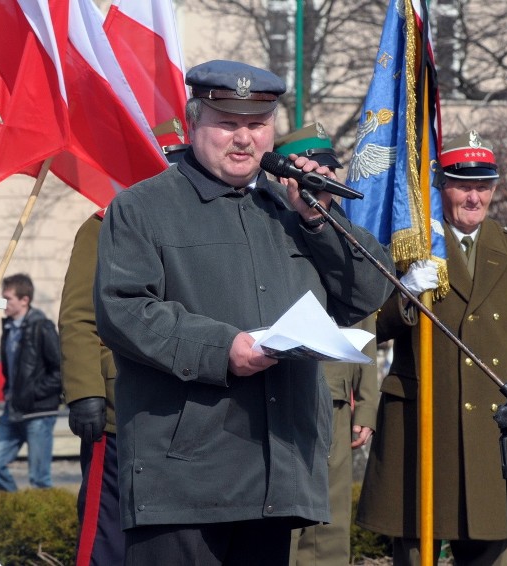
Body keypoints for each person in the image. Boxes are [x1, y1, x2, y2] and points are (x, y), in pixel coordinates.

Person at [94, 59, 394, 565]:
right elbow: (122, 309)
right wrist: (222, 349)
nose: (243, 139)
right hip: (185, 473)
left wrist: (321, 222)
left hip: (277, 466)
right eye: (227, 124)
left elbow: (368, 294)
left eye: (256, 125)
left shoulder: (291, 208)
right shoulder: (143, 208)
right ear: (193, 124)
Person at [356, 130, 507, 565]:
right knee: (414, 547)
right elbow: (371, 326)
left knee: (491, 548)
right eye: (464, 185)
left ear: (495, 189)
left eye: (484, 187)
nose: (474, 197)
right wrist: (403, 292)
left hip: (490, 425)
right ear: (441, 184)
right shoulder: (411, 243)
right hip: (423, 421)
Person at [60, 129, 189, 566]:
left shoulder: (196, 230)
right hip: (119, 413)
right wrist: (85, 393)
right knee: (107, 540)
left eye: (181, 158)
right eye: (165, 159)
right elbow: (79, 315)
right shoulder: (104, 225)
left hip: (183, 412)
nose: (174, 168)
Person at [276, 123, 380, 566]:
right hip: (284, 387)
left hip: (337, 399)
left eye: (329, 172)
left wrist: (367, 406)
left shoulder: (345, 232)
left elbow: (366, 326)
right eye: (314, 173)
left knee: (331, 523)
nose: (326, 182)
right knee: (287, 524)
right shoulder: (275, 229)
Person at [0, 273, 62, 491]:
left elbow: (60, 371)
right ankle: (15, 511)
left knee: (39, 479)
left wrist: (33, 392)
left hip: (38, 413)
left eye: (7, 298)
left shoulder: (42, 327)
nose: (3, 303)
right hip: (13, 410)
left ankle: (40, 522)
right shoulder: (8, 329)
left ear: (24, 300)